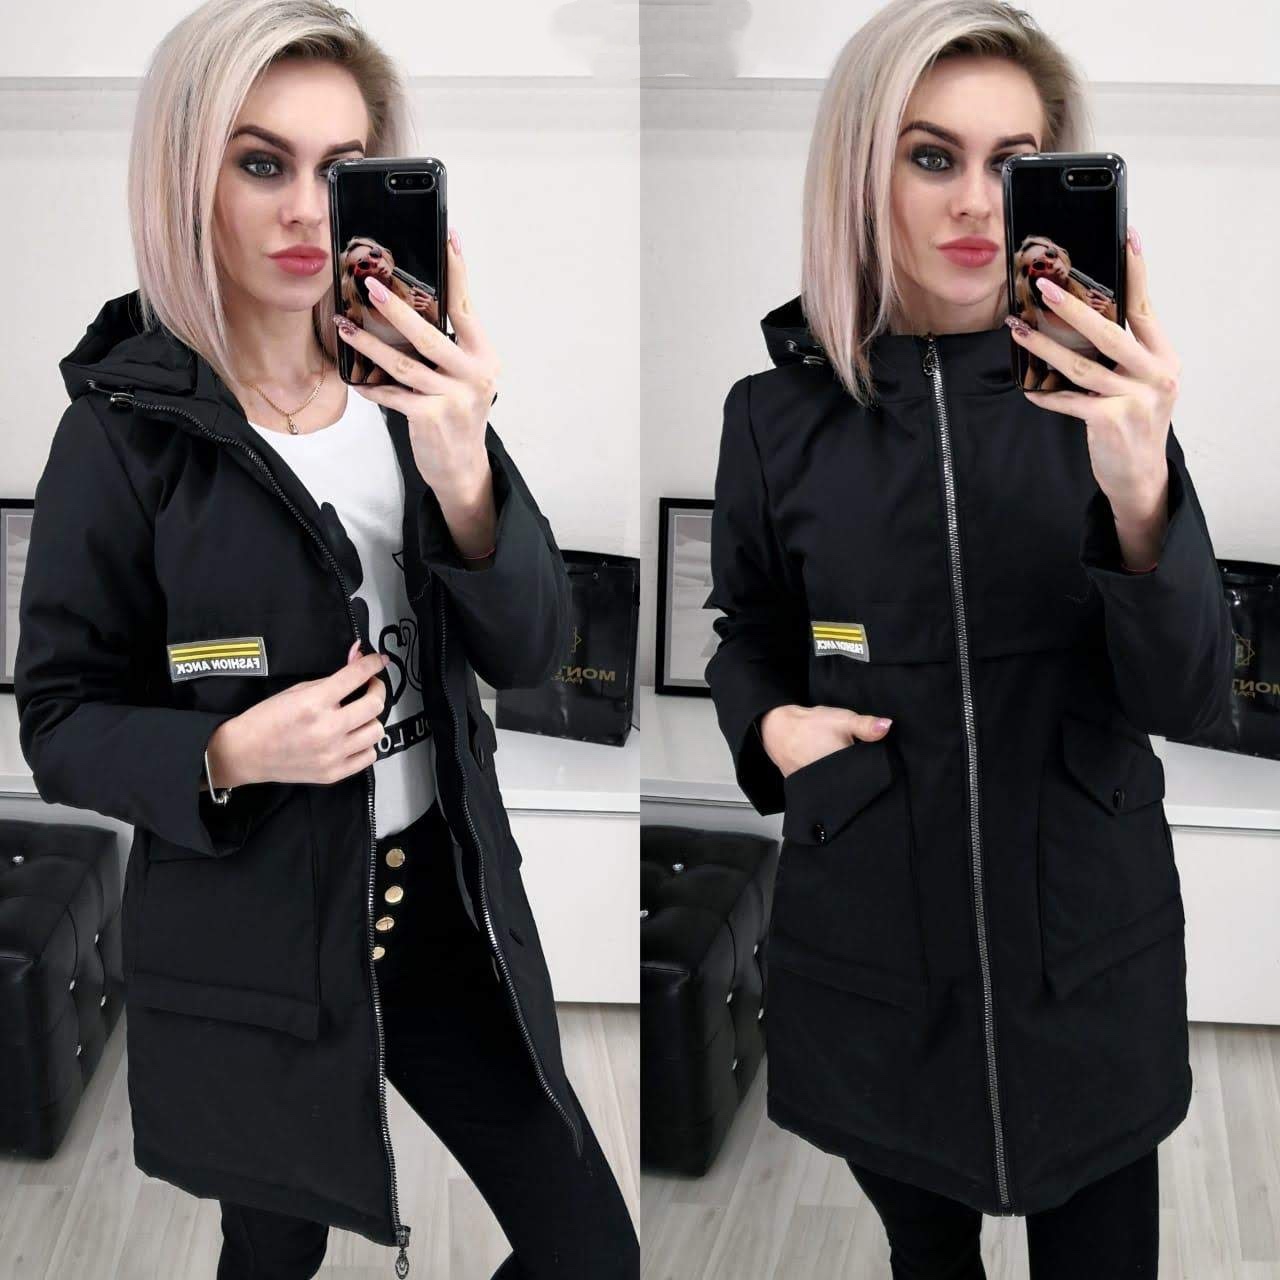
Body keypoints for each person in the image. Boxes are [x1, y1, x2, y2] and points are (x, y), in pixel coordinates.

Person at [14, 1, 638, 1276]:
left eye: (339, 169)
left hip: (445, 907)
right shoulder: (121, 438)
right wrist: (229, 751)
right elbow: (59, 719)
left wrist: (463, 459)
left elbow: (531, 652)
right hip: (255, 939)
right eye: (262, 163)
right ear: (187, 176)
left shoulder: (413, 389)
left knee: (590, 1250)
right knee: (273, 1250)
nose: (307, 210)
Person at [703, 1, 1232, 1275]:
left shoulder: (1108, 406)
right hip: (875, 951)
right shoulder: (773, 418)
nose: (976, 202)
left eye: (1015, 162)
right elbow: (746, 632)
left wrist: (1137, 478)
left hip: (1087, 952)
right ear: (862, 172)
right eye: (931, 155)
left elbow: (1187, 693)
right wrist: (768, 726)